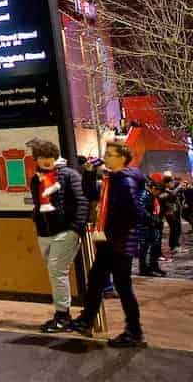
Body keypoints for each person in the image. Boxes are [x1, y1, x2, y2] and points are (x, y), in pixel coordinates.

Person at [69, 141, 148, 347]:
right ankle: (87, 319)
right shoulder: (111, 179)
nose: (106, 156)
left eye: (110, 154)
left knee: (123, 286)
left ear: (122, 157)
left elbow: (133, 213)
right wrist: (88, 173)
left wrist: (111, 234)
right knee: (96, 280)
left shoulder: (125, 181)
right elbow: (90, 194)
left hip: (119, 243)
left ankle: (134, 331)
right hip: (111, 242)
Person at [26, 140, 89, 332]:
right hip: (45, 232)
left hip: (65, 232)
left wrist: (75, 228)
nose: (45, 161)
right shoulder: (36, 178)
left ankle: (63, 315)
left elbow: (81, 201)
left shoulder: (69, 175)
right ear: (36, 159)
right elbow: (38, 203)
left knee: (56, 271)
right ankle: (62, 314)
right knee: (55, 272)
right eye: (41, 158)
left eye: (49, 157)